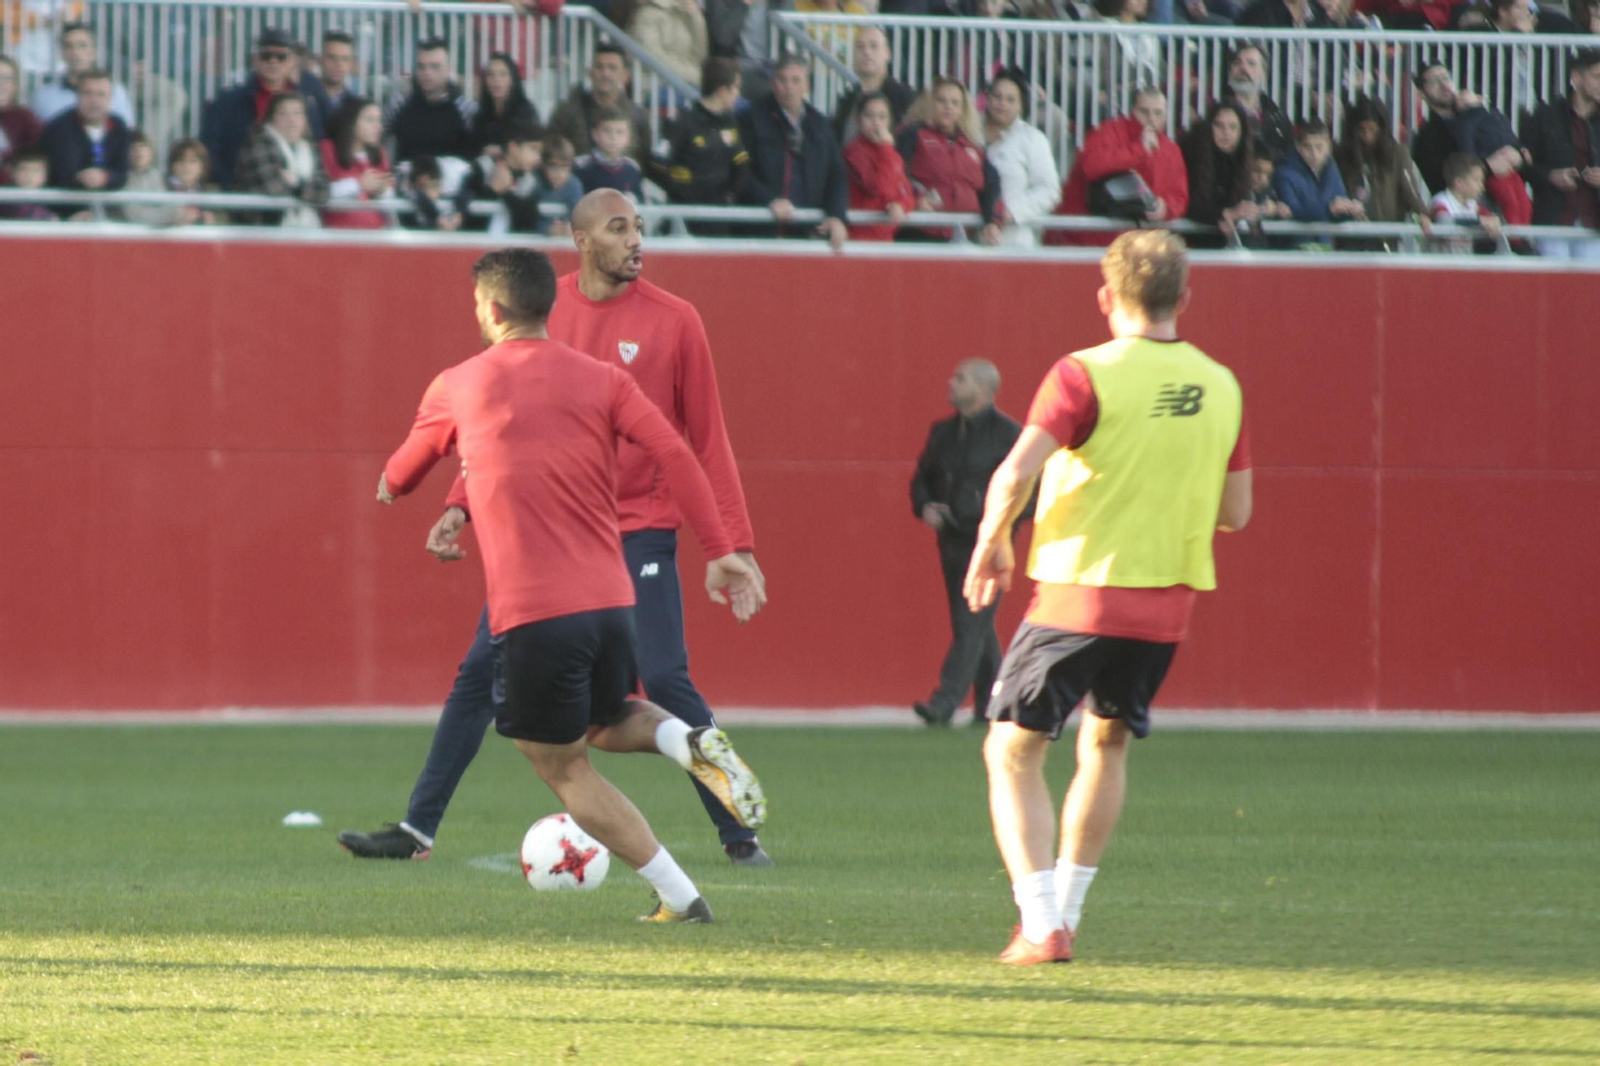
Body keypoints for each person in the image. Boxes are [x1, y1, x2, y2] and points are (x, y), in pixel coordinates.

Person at [338, 189, 776, 869]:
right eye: (620, 228)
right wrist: (460, 503)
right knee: (476, 675)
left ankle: (738, 830)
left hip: (640, 531)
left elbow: (705, 441)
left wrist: (734, 545)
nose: (636, 240)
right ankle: (417, 830)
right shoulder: (547, 310)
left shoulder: (676, 320)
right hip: (557, 537)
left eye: (640, 227)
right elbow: (505, 424)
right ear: (582, 240)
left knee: (664, 675)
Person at [965, 230, 1252, 965]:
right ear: (1185, 298)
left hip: (1080, 592)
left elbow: (1014, 471)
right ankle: (1066, 915)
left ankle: (1040, 925)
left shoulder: (1082, 374)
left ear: (1106, 297)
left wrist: (992, 540)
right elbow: (1236, 512)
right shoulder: (1221, 384)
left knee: (1012, 750)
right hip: (1168, 604)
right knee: (1107, 741)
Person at [910, 359, 1026, 728]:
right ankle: (993, 706)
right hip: (952, 540)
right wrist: (925, 506)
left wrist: (1000, 529)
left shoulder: (1009, 435)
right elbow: (922, 479)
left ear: (982, 389)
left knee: (971, 623)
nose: (950, 382)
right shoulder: (943, 433)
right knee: (975, 626)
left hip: (990, 544)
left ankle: (943, 703)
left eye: (959, 378)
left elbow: (1028, 491)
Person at [1052, 87, 1188, 246]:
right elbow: (1091, 166)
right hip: (1086, 239)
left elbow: (1179, 197)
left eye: (1158, 113)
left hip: (1139, 245)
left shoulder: (1170, 150)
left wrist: (1165, 208)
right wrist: (1139, 150)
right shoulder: (1107, 132)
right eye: (1144, 112)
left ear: (1166, 115)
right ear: (1133, 111)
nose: (1151, 118)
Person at [739, 54, 850, 249]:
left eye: (796, 80)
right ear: (773, 83)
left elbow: (836, 175)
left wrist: (837, 216)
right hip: (759, 234)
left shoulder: (821, 124)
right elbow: (741, 170)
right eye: (782, 80)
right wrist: (769, 200)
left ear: (807, 85)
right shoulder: (750, 119)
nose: (789, 87)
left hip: (808, 235)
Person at [1409, 62, 1531, 225]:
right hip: (1469, 220)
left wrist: (1518, 156)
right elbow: (1440, 181)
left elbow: (1509, 144)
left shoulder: (1481, 115)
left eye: (1445, 77)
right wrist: (1486, 167)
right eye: (1433, 82)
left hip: (1508, 203)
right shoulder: (1426, 136)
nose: (1444, 85)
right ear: (1421, 94)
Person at [201, 29, 325, 189]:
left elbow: (316, 146)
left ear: (293, 62)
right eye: (266, 56)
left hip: (296, 192)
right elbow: (211, 147)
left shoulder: (306, 103)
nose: (273, 61)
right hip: (240, 193)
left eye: (281, 56)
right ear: (255, 60)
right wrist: (228, 186)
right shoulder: (228, 101)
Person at [896, 77, 1002, 244]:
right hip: (920, 232)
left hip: (965, 236)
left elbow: (992, 187)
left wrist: (992, 222)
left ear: (962, 110)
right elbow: (895, 174)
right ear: (930, 103)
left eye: (955, 103)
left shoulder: (974, 146)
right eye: (941, 100)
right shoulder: (911, 134)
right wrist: (915, 198)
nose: (948, 107)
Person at [1520, 47, 1600, 260]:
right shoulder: (1545, 116)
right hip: (1553, 220)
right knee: (1553, 280)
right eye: (1597, 76)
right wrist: (1550, 176)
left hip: (1594, 224)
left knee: (1590, 281)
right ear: (1576, 77)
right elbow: (1523, 166)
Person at [652, 56, 750, 219]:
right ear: (722, 91)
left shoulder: (730, 122)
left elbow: (741, 163)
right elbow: (658, 163)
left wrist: (731, 194)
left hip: (719, 214)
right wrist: (683, 191)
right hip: (685, 215)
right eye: (735, 88)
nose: (738, 94)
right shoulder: (683, 121)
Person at [983, 69, 1061, 247]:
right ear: (987, 98)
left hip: (1014, 241)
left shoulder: (1032, 139)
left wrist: (1011, 212)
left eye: (1010, 99)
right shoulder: (970, 134)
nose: (1002, 103)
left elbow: (1049, 190)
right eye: (997, 96)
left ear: (1020, 105)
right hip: (970, 238)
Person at [39, 69, 129, 218]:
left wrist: (106, 177)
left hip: (108, 212)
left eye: (101, 94)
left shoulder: (119, 127)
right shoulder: (59, 128)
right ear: (77, 95)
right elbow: (60, 177)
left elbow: (123, 173)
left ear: (110, 98)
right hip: (65, 213)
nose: (94, 100)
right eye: (88, 93)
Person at [1334, 94, 1429, 233]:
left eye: (1372, 129)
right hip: (1351, 231)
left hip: (1387, 232)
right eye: (1361, 129)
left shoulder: (1397, 153)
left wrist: (1421, 213)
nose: (1367, 136)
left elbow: (1409, 189)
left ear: (1381, 128)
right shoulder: (1342, 154)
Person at [232, 91, 329, 228]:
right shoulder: (259, 145)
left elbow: (324, 191)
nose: (291, 119)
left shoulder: (311, 148)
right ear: (272, 118)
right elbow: (273, 188)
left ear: (305, 119)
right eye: (283, 113)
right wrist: (305, 190)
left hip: (307, 230)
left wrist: (295, 182)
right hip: (263, 230)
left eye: (297, 113)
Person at [546, 43, 652, 162]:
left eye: (612, 68)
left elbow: (644, 161)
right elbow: (550, 152)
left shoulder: (638, 116)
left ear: (625, 75)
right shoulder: (567, 112)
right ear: (590, 72)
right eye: (599, 67)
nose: (605, 73)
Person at [385, 38, 478, 168]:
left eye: (435, 67)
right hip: (407, 178)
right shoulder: (398, 106)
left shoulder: (466, 110)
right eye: (421, 66)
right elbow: (377, 141)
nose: (427, 73)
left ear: (449, 69)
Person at [28, 21, 133, 127]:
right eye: (68, 46)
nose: (75, 52)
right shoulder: (44, 97)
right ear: (61, 53)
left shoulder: (115, 92)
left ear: (94, 51)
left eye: (82, 46)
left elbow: (126, 131)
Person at [845, 92, 917, 241]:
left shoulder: (892, 154)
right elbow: (880, 189)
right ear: (859, 119)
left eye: (882, 117)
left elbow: (906, 192)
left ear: (889, 121)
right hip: (858, 238)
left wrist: (902, 205)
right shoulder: (854, 152)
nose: (876, 123)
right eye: (869, 116)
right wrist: (886, 149)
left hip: (885, 238)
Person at [1181, 102, 1254, 247]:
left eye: (1233, 127)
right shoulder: (1191, 156)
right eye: (1219, 126)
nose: (1226, 133)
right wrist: (1224, 214)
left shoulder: (1244, 162)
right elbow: (1187, 204)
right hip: (1188, 241)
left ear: (1242, 132)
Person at [831, 26, 918, 145]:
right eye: (860, 47)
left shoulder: (905, 98)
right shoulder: (846, 101)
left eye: (874, 46)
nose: (866, 52)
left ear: (887, 53)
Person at [321, 96, 395, 230]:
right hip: (338, 234)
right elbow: (323, 192)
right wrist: (359, 184)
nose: (378, 127)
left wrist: (383, 190)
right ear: (351, 121)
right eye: (370, 120)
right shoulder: (329, 149)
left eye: (379, 121)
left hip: (376, 233)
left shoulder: (380, 154)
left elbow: (390, 200)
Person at [460, 120, 546, 234]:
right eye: (533, 149)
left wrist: (506, 193)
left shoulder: (531, 181)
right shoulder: (482, 167)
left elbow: (529, 223)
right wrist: (492, 191)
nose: (538, 158)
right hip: (475, 240)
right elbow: (464, 210)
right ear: (513, 147)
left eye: (540, 152)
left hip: (511, 243)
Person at [1274, 118, 1365, 226]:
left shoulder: (1332, 171)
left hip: (1324, 237)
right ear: (1298, 147)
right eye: (1307, 147)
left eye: (1319, 147)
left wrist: (1350, 210)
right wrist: (1329, 209)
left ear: (1329, 147)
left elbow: (1339, 208)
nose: (1314, 154)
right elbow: (1291, 210)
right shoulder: (1283, 173)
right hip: (1297, 237)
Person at [1223, 44, 1295, 164]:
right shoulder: (1217, 113)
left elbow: (1288, 160)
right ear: (1230, 71)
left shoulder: (1278, 118)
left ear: (1264, 74)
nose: (1243, 68)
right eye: (1237, 63)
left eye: (1251, 63)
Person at [469, 52, 541, 161]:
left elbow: (532, 147)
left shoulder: (526, 113)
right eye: (490, 75)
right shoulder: (481, 115)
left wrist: (501, 150)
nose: (496, 80)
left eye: (502, 74)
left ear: (512, 79)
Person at [1430, 151, 1504, 252]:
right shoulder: (1440, 202)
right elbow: (1444, 221)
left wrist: (1495, 220)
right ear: (1459, 183)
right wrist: (1479, 221)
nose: (1481, 187)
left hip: (1463, 260)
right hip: (1438, 261)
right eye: (1477, 180)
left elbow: (1489, 217)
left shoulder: (1472, 205)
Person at [626, 0, 710, 89]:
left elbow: (699, 57)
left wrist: (696, 18)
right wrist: (692, 75)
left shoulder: (685, 12)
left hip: (688, 83)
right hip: (656, 86)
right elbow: (652, 57)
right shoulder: (647, 13)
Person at [575, 107, 645, 197]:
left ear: (628, 137)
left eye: (619, 132)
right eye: (607, 131)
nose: (613, 137)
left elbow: (640, 199)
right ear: (595, 134)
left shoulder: (632, 168)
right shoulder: (581, 166)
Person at [1, 54, 43, 179]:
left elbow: (36, 157)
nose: (2, 83)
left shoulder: (26, 119)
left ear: (15, 85)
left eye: (7, 78)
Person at [536, 134, 585, 234]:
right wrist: (548, 229)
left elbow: (579, 216)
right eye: (553, 167)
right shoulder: (536, 184)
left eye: (564, 168)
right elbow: (529, 220)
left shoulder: (574, 186)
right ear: (544, 166)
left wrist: (569, 227)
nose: (559, 173)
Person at [401, 154, 463, 231]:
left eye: (434, 186)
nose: (429, 193)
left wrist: (458, 215)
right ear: (413, 185)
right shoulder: (408, 194)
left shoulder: (451, 195)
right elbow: (421, 198)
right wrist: (437, 219)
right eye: (423, 187)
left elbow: (467, 194)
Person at [1, 147, 54, 220]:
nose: (29, 175)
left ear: (45, 176)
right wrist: (50, 217)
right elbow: (22, 212)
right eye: (24, 169)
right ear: (13, 173)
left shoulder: (48, 197)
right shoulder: (7, 197)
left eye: (36, 171)